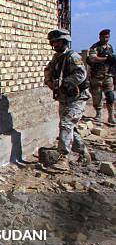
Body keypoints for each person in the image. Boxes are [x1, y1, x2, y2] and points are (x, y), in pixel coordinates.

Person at [43, 29, 90, 172]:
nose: (55, 44)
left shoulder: (72, 56)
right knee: (69, 127)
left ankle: (63, 158)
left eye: (58, 41)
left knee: (66, 124)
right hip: (65, 99)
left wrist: (65, 83)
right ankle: (83, 153)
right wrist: (50, 82)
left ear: (64, 42)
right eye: (53, 42)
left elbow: (81, 74)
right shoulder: (57, 58)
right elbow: (47, 71)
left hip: (77, 99)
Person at [87, 29, 115, 124]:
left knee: (110, 96)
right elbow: (93, 58)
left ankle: (111, 116)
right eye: (104, 37)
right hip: (97, 77)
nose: (105, 39)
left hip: (108, 76)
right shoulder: (95, 47)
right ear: (100, 37)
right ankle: (98, 115)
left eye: (107, 37)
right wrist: (106, 59)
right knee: (97, 97)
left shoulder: (109, 47)